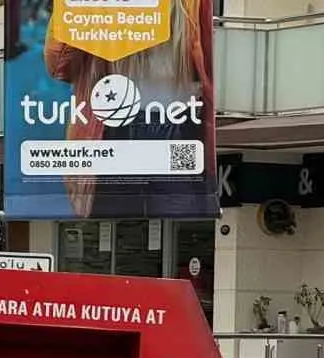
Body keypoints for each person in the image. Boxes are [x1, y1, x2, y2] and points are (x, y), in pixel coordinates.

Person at [43, 0, 213, 219]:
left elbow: (58, 63)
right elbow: (59, 65)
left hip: (164, 124)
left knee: (172, 221)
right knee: (131, 222)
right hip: (134, 124)